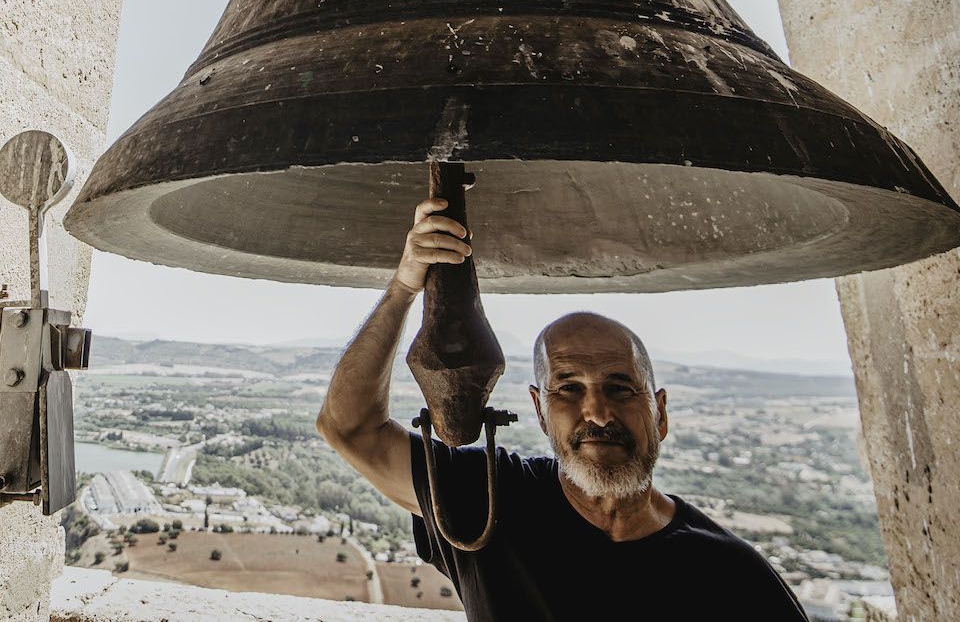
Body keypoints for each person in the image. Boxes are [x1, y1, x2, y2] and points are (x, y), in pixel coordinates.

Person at [316, 193, 805, 619]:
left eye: (620, 387)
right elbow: (349, 426)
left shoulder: (730, 574)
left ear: (659, 413)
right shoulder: (488, 501)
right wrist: (404, 287)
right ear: (539, 410)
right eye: (568, 388)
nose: (597, 413)